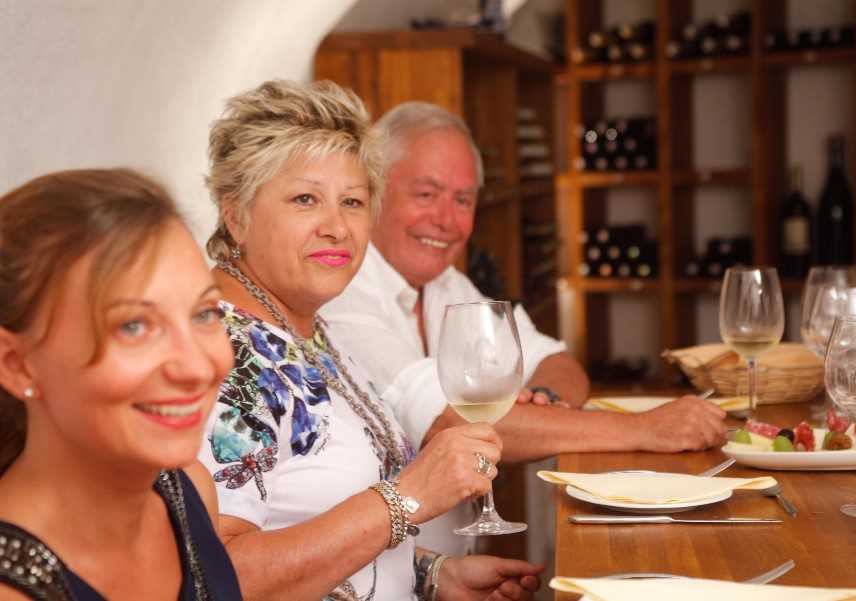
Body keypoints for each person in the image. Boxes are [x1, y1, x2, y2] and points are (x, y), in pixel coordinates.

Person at [320, 101, 728, 554]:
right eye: (425, 194)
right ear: (377, 192)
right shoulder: (343, 291)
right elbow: (448, 422)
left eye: (463, 199)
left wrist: (545, 403)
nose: (446, 219)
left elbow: (554, 360)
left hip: (446, 572)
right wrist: (643, 431)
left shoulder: (449, 284)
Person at [198, 79, 542, 601]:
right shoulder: (222, 357)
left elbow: (310, 523)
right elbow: (221, 577)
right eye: (305, 199)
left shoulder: (313, 332)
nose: (337, 226)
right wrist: (406, 499)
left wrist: (432, 575)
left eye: (353, 202)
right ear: (235, 213)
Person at [0, 168, 242, 600]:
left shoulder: (189, 491)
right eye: (133, 326)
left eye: (205, 314)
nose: (196, 368)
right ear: (16, 364)